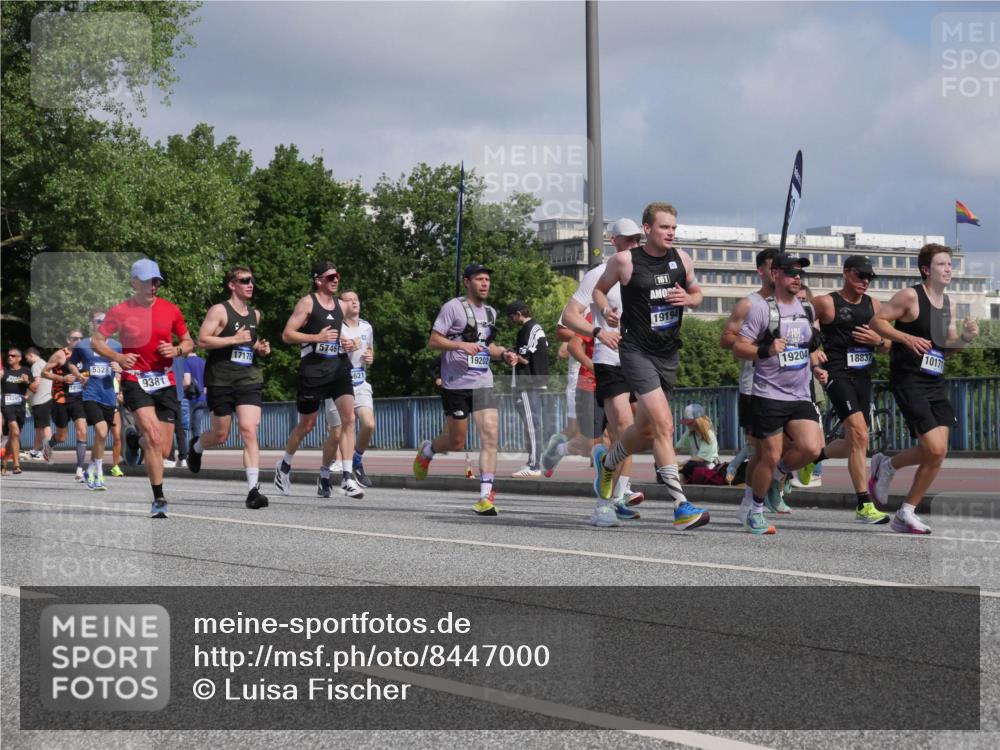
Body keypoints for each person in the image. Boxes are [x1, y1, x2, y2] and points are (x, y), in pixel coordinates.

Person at [589, 203, 710, 530]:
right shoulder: (626, 261)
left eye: (673, 227)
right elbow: (599, 292)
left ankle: (608, 463)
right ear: (647, 229)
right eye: (664, 227)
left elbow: (697, 292)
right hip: (635, 350)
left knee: (643, 431)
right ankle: (681, 505)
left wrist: (689, 299)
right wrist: (607, 313)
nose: (670, 232)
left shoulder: (682, 259)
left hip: (668, 353)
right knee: (664, 424)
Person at [868, 243, 978, 534]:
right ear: (926, 269)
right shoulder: (910, 296)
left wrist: (965, 338)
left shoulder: (949, 303)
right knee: (933, 446)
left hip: (934, 381)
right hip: (908, 380)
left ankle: (905, 510)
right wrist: (906, 338)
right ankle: (887, 468)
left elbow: (946, 347)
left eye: (950, 265)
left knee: (937, 453)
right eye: (942, 264)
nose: (948, 269)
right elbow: (876, 321)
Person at [554, 217, 646, 526]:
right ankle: (604, 505)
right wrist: (596, 332)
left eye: (638, 240)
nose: (634, 245)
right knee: (618, 428)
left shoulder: (646, 272)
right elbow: (568, 318)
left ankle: (617, 488)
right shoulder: (597, 275)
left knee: (634, 434)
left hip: (641, 363)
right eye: (628, 240)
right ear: (613, 241)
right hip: (607, 363)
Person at [93, 259, 194, 518]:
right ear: (134, 282)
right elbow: (97, 341)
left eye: (157, 281)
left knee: (162, 448)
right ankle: (159, 498)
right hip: (135, 379)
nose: (154, 286)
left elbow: (188, 341)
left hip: (164, 379)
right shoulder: (120, 311)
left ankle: (132, 440)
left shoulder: (171, 310)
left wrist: (177, 350)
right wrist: (117, 358)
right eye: (149, 281)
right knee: (154, 436)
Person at [733, 253, 825, 534]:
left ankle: (779, 475)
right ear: (776, 275)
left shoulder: (807, 310)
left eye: (800, 274)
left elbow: (808, 348)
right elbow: (739, 347)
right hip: (768, 393)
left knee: (812, 448)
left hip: (799, 394)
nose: (797, 278)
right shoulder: (763, 309)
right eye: (790, 273)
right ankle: (756, 509)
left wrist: (818, 365)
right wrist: (766, 350)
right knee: (768, 454)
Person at [413, 263, 515, 516]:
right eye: (480, 279)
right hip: (456, 385)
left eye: (487, 280)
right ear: (467, 281)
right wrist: (460, 346)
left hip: (482, 382)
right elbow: (434, 341)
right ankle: (428, 451)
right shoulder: (453, 307)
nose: (485, 284)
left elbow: (485, 347)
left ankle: (484, 496)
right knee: (456, 442)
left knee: (490, 436)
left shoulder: (491, 313)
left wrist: (503, 354)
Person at [806, 260, 891, 523]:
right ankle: (863, 504)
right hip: (837, 374)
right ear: (845, 273)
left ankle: (815, 457)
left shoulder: (875, 306)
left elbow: (889, 344)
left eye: (870, 277)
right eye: (860, 275)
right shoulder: (826, 302)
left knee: (857, 440)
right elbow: (797, 327)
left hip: (863, 375)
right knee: (859, 432)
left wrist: (878, 341)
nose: (865, 281)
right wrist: (812, 353)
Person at [273, 261, 364, 500]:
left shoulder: (341, 305)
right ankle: (283, 467)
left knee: (349, 418)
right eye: (330, 276)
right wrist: (316, 337)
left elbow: (336, 329)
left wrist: (346, 341)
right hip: (313, 369)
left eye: (337, 276)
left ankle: (346, 477)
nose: (335, 280)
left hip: (338, 368)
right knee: (307, 425)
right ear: (318, 280)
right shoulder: (307, 302)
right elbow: (287, 334)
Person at [187, 266, 271, 509]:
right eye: (244, 280)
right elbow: (202, 340)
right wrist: (233, 339)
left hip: (248, 379)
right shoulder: (219, 310)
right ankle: (197, 446)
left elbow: (251, 342)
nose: (250, 284)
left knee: (248, 430)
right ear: (232, 285)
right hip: (221, 380)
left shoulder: (255, 315)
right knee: (221, 435)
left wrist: (261, 349)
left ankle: (253, 490)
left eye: (252, 280)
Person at [719, 248, 776, 489]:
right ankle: (757, 499)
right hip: (754, 384)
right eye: (773, 267)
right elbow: (726, 339)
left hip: (791, 385)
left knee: (801, 442)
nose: (778, 272)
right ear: (760, 270)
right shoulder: (749, 304)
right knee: (760, 446)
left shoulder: (795, 303)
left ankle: (773, 486)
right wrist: (756, 345)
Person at [325, 289, 376, 488]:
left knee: (369, 424)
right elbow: (327, 351)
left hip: (359, 382)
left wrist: (371, 358)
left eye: (357, 298)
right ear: (341, 304)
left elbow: (369, 351)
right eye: (350, 299)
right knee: (336, 433)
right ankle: (324, 472)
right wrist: (342, 347)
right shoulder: (335, 326)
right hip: (337, 382)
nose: (355, 302)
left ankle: (356, 460)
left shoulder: (367, 327)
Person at [67, 310, 123, 491]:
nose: (103, 324)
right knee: (101, 430)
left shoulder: (116, 345)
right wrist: (78, 376)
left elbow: (122, 367)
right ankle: (99, 474)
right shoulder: (83, 345)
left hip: (108, 395)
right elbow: (71, 363)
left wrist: (118, 367)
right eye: (99, 321)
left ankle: (89, 469)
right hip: (91, 394)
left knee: (102, 436)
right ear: (92, 324)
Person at [507, 300, 550, 478]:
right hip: (533, 383)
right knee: (532, 424)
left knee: (532, 425)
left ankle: (533, 465)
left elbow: (525, 359)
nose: (511, 320)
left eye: (511, 317)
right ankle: (532, 461)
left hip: (526, 383)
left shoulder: (527, 330)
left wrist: (512, 355)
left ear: (518, 314)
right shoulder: (536, 328)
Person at [42, 329, 89, 480]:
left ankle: (80, 470)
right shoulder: (60, 355)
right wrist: (62, 379)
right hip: (60, 400)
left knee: (82, 430)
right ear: (68, 339)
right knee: (62, 437)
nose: (78, 341)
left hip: (78, 399)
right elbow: (44, 372)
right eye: (75, 338)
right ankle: (49, 444)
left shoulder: (85, 354)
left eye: (81, 338)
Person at [2, 348, 33, 475]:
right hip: (6, 403)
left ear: (19, 358)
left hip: (20, 405)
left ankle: (3, 463)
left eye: (13, 356)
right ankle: (16, 464)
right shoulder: (4, 371)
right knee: (14, 431)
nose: (10, 357)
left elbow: (34, 387)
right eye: (9, 355)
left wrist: (27, 389)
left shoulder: (25, 371)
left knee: (14, 435)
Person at [24, 347, 52, 461]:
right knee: (40, 428)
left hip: (41, 400)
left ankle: (47, 452)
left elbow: (37, 382)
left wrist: (26, 394)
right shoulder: (45, 364)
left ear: (31, 355)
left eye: (27, 358)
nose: (27, 361)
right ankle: (35, 451)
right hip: (45, 398)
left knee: (45, 427)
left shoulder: (36, 365)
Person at [676, 403, 720, 470]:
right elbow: (676, 449)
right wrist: (668, 462)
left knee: (691, 465)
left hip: (709, 468)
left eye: (690, 423)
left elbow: (700, 458)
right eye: (686, 423)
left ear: (699, 421)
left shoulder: (709, 434)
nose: (687, 425)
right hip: (694, 466)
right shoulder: (689, 432)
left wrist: (680, 464)